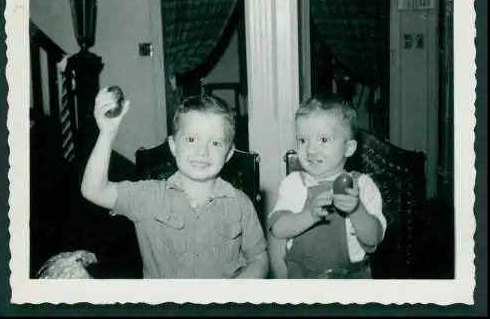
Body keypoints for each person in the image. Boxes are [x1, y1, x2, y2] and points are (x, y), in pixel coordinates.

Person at [81, 88, 269, 279]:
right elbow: (94, 190)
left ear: (229, 154)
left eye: (215, 143)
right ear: (173, 146)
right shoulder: (149, 197)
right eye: (191, 139)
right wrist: (107, 133)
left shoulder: (240, 204)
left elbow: (259, 259)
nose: (202, 151)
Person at [268, 92, 387, 279]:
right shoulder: (293, 184)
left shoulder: (363, 185)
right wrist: (311, 215)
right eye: (302, 140)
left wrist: (356, 209)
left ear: (349, 148)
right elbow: (278, 229)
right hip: (302, 279)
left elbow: (373, 239)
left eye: (323, 140)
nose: (311, 149)